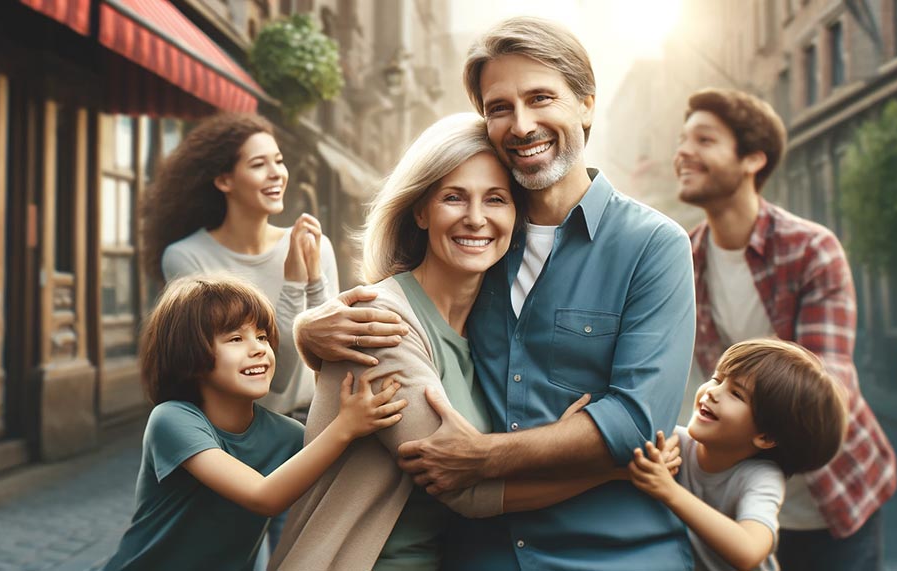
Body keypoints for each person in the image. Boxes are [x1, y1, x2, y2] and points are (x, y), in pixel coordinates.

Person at [293, 17, 697, 571]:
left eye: (541, 98)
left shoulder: (654, 246)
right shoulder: (481, 249)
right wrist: (308, 332)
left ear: (586, 105)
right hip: (475, 555)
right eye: (500, 107)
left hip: (610, 555)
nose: (522, 124)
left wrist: (485, 457)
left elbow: (635, 422)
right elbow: (403, 314)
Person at [674, 87, 897, 570]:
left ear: (753, 158)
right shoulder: (681, 259)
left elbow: (828, 384)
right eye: (683, 139)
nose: (683, 152)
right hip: (729, 510)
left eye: (704, 140)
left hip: (830, 504)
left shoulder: (811, 249)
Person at [103, 275, 405, 570]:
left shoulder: (287, 435)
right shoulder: (172, 420)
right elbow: (264, 497)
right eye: (235, 338)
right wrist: (345, 426)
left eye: (261, 336)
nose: (258, 348)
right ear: (190, 355)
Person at [141, 113, 339, 417]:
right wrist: (294, 281)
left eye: (279, 160)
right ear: (224, 180)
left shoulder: (314, 244)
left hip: (311, 425)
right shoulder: (186, 257)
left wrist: (314, 282)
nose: (277, 174)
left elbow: (330, 354)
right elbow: (279, 376)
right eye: (259, 165)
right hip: (232, 435)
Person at [630, 339, 848, 571]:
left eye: (736, 394)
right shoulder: (675, 443)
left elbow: (749, 550)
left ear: (765, 437)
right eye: (717, 379)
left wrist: (668, 490)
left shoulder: (761, 478)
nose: (713, 392)